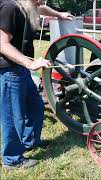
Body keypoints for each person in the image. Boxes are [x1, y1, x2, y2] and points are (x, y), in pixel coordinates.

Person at [0, 0, 73, 169]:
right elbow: (2, 43)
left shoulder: (29, 4)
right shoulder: (10, 7)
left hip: (21, 68)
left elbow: (41, 7)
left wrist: (59, 14)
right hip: (9, 69)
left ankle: (30, 141)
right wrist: (29, 63)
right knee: (13, 114)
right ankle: (11, 158)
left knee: (36, 106)